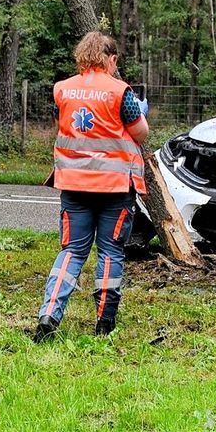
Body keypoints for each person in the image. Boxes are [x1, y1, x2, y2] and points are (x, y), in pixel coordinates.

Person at [34, 31, 149, 341]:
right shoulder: (120, 92)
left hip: (73, 185)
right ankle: (104, 322)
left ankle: (49, 314)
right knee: (110, 251)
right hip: (114, 186)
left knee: (72, 251)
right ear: (109, 59)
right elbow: (140, 133)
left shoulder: (62, 90)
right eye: (115, 60)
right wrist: (142, 111)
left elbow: (65, 123)